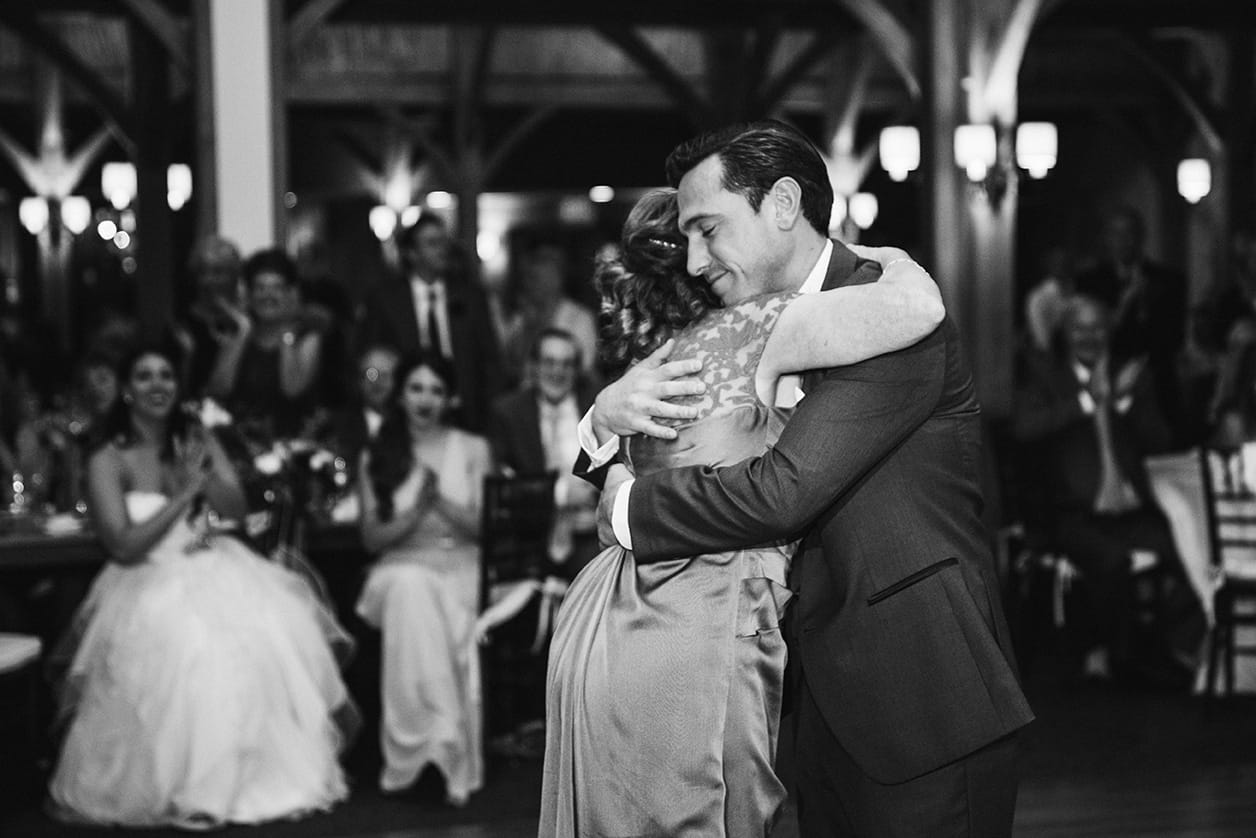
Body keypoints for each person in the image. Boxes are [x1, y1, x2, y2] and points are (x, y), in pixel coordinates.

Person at [565, 121, 1034, 837]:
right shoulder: (740, 321)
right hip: (808, 707)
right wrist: (602, 422)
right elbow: (682, 435)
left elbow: (784, 491)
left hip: (920, 697)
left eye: (708, 229)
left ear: (782, 203)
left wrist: (627, 511)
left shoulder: (884, 309)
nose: (694, 259)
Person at [47, 342, 354, 829]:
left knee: (262, 638)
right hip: (144, 577)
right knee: (188, 648)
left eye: (166, 376)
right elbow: (124, 545)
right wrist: (183, 494)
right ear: (127, 390)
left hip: (210, 560)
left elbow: (236, 512)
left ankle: (252, 780)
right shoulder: (108, 459)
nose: (157, 386)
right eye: (144, 376)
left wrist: (206, 476)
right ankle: (184, 782)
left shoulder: (196, 438)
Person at [1013, 294, 1206, 685]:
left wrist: (1124, 403)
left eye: (1099, 328)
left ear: (1110, 332)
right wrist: (1089, 400)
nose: (1091, 337)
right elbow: (1025, 428)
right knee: (1112, 561)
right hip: (1072, 515)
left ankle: (1167, 642)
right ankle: (1119, 657)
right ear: (1066, 333)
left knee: (1195, 550)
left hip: (1128, 513)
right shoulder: (1046, 377)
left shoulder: (1131, 375)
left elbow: (1161, 441)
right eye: (1081, 328)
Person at [356, 354, 492, 807]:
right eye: (416, 388)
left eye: (436, 390)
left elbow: (487, 529)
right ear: (401, 394)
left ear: (449, 397)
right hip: (398, 567)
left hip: (461, 567)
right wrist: (416, 512)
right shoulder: (378, 452)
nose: (426, 399)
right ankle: (445, 739)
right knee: (410, 587)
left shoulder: (473, 448)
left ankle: (434, 740)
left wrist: (442, 504)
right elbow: (372, 538)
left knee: (424, 600)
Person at [360, 214, 503, 432]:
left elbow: (490, 360)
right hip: (405, 416)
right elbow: (374, 357)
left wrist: (489, 413)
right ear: (412, 253)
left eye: (444, 242)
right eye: (432, 243)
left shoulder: (470, 297)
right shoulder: (385, 300)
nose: (442, 250)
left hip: (465, 414)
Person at [489, 327, 599, 573]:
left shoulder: (597, 404)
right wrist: (561, 495)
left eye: (567, 364)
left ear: (577, 370)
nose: (557, 372)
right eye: (549, 362)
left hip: (591, 525)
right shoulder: (509, 412)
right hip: (533, 529)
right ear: (534, 367)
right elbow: (503, 482)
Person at [1074, 206, 1188, 443]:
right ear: (1107, 238)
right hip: (1108, 381)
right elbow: (1089, 339)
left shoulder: (1169, 280)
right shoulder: (1090, 281)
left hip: (1156, 385)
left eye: (1129, 234)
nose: (1123, 241)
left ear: (1141, 237)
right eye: (1116, 234)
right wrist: (1125, 304)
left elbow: (1174, 337)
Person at [206, 247, 327, 440]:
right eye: (260, 288)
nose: (268, 296)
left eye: (277, 288)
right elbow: (219, 389)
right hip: (239, 446)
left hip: (291, 451)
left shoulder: (308, 337)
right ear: (250, 294)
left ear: (291, 293)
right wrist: (244, 330)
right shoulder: (237, 334)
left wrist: (287, 331)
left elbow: (292, 389)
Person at [497, 244, 600, 386]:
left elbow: (582, 368)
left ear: (557, 279)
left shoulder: (580, 318)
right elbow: (509, 366)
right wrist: (528, 328)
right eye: (529, 278)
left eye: (536, 278)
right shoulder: (521, 318)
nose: (530, 285)